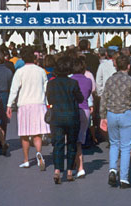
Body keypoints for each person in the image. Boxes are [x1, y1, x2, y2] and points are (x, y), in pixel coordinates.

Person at [100, 54, 131, 189]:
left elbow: (104, 99)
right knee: (126, 147)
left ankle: (112, 169)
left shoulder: (110, 80)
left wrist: (102, 116)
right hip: (126, 114)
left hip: (111, 113)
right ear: (128, 66)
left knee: (114, 144)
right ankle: (124, 178)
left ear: (116, 66)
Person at [7, 46, 50, 170]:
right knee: (37, 133)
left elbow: (14, 90)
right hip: (39, 103)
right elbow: (46, 88)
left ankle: (26, 160)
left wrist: (9, 105)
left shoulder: (20, 72)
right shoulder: (41, 71)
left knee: (25, 134)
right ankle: (38, 152)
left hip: (24, 104)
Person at [46, 55, 84, 184]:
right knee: (72, 144)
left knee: (58, 144)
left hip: (57, 117)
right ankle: (69, 171)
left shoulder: (51, 83)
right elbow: (80, 99)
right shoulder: (73, 83)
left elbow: (50, 99)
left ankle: (57, 170)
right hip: (72, 116)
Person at [71, 56, 94, 178]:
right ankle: (77, 165)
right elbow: (89, 93)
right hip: (85, 110)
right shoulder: (88, 80)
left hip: (73, 110)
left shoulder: (70, 79)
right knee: (79, 139)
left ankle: (78, 166)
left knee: (73, 140)